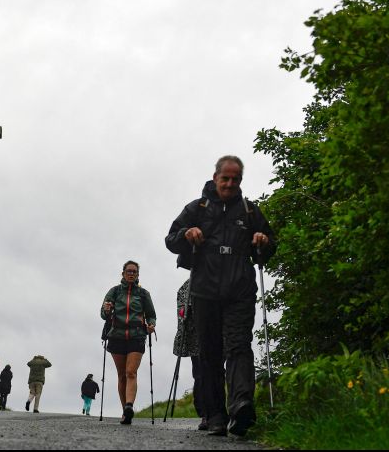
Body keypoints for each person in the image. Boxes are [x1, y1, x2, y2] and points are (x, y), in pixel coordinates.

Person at [165, 155, 276, 437]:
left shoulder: (249, 211)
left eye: (235, 179)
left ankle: (241, 406)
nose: (229, 183)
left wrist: (263, 241)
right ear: (215, 177)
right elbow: (171, 239)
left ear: (240, 180)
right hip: (205, 291)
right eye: (225, 178)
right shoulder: (197, 208)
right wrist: (187, 233)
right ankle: (215, 414)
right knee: (210, 352)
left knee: (239, 345)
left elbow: (270, 245)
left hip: (240, 290)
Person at [100, 260, 157, 425]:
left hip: (137, 336)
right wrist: (107, 310)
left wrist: (151, 324)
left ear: (138, 274)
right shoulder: (114, 291)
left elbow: (151, 314)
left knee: (131, 372)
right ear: (123, 273)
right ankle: (125, 411)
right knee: (121, 375)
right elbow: (103, 314)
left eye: (134, 271)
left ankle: (129, 406)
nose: (131, 274)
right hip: (116, 335)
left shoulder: (143, 294)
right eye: (128, 271)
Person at [172, 278, 207, 430]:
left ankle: (217, 412)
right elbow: (182, 315)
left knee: (215, 373)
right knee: (201, 375)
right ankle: (205, 413)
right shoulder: (188, 286)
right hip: (197, 340)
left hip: (218, 338)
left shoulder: (223, 277)